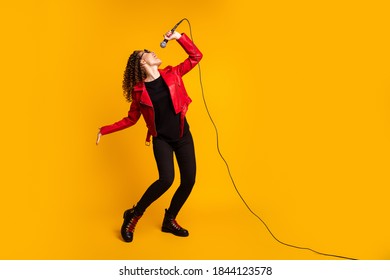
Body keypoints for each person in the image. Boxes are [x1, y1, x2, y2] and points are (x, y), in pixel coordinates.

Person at [96, 30, 203, 242]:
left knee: (189, 180)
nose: (152, 52)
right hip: (161, 139)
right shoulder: (138, 92)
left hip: (183, 135)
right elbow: (131, 119)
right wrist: (104, 129)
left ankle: (169, 220)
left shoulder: (173, 74)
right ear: (141, 63)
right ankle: (134, 214)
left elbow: (196, 57)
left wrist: (179, 37)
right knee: (166, 179)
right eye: (147, 53)